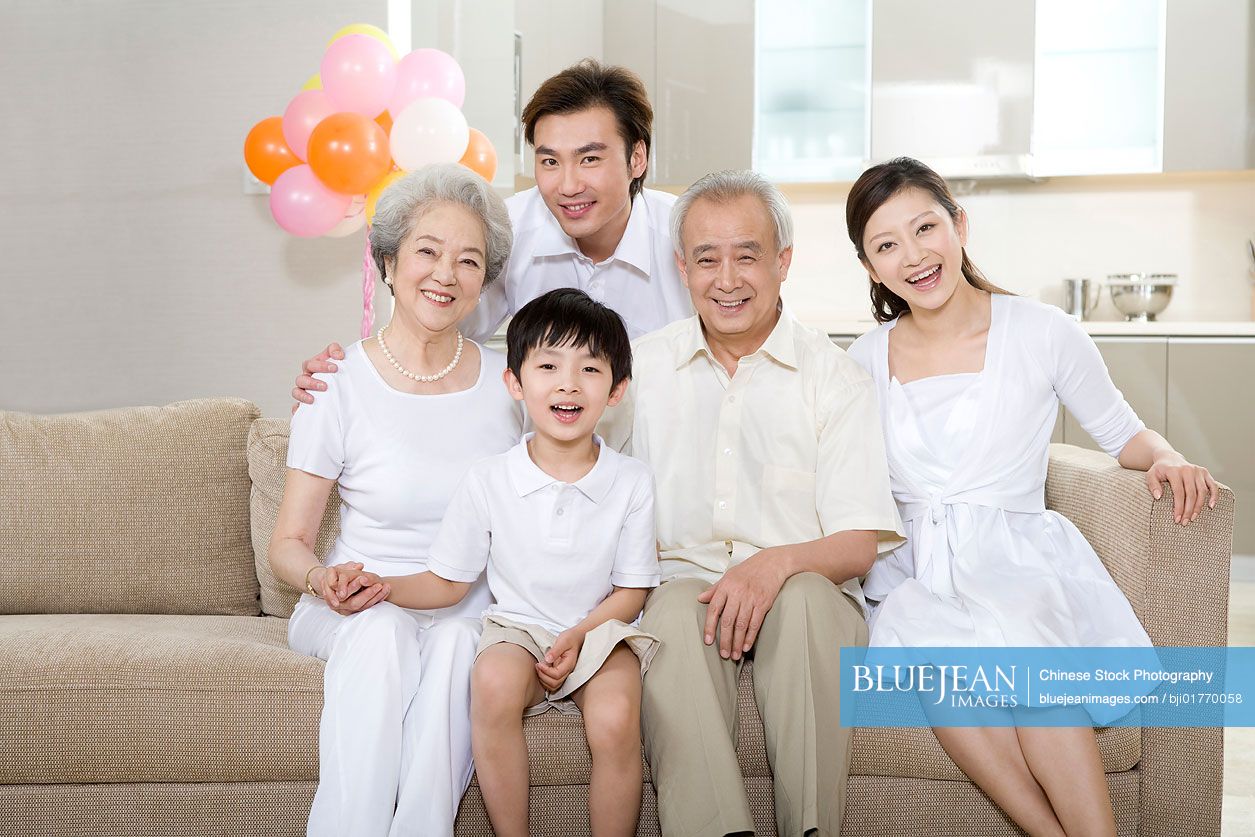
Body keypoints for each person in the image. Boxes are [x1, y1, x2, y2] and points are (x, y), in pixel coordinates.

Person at [843, 156, 1218, 837]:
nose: (913, 255)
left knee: (1031, 660)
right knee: (936, 669)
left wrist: (1166, 457)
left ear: (958, 224)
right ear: (870, 268)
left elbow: (1121, 433)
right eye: (886, 244)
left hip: (1015, 555)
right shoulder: (863, 360)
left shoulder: (1040, 331)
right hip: (917, 571)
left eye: (925, 227)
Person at [598, 170, 905, 837]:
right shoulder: (640, 370)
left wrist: (769, 566)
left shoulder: (835, 377)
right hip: (687, 587)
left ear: (782, 262)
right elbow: (560, 436)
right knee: (674, 607)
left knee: (796, 600)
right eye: (706, 258)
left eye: (747, 255)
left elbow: (856, 543)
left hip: (806, 594)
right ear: (682, 268)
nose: (726, 277)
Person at [338, 288, 660, 837]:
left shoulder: (630, 481)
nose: (568, 383)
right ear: (514, 382)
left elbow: (631, 591)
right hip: (519, 630)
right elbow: (447, 583)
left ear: (616, 390)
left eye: (589, 369)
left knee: (615, 719)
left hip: (600, 634)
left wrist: (581, 635)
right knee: (489, 685)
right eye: (548, 366)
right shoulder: (488, 479)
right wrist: (378, 584)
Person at [268, 163, 524, 837]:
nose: (446, 273)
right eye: (427, 251)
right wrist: (324, 578)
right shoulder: (336, 383)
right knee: (381, 633)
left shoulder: (509, 389)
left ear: (483, 281)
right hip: (352, 608)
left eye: (468, 260)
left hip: (462, 607)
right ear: (387, 262)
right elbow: (288, 545)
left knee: (456, 649)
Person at [292, 60, 691, 406]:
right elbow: (435, 330)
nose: (568, 185)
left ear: (637, 158)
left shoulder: (687, 236)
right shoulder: (505, 228)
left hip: (659, 447)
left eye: (589, 159)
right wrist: (347, 378)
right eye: (549, 161)